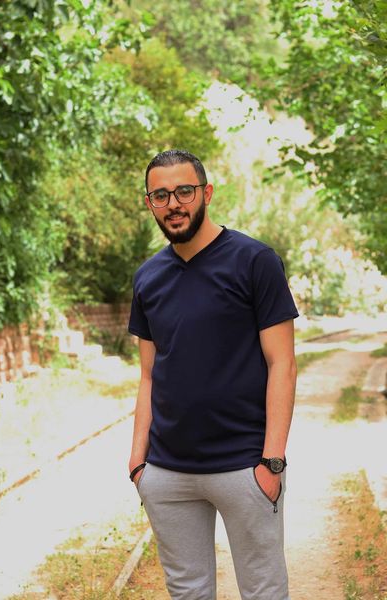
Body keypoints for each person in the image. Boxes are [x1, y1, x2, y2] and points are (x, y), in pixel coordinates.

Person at [128, 149, 298, 600]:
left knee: (263, 591)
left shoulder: (255, 261)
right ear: (149, 203)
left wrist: (272, 461)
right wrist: (139, 464)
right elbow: (148, 375)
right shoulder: (147, 277)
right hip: (167, 472)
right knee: (188, 592)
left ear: (206, 193)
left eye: (184, 191)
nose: (173, 204)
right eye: (160, 195)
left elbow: (283, 363)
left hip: (244, 465)